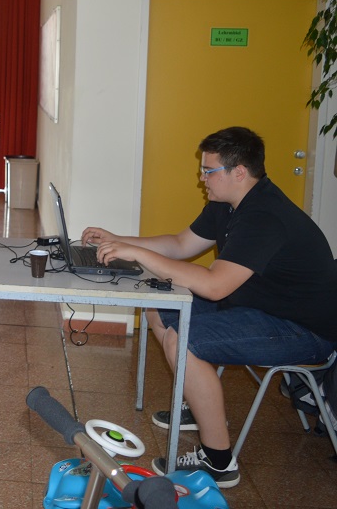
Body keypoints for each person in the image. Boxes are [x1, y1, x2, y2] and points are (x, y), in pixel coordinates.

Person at [81, 126, 337, 488]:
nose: (202, 178)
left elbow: (215, 286)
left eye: (208, 171)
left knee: (184, 342)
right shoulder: (227, 204)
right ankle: (198, 406)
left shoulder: (265, 216)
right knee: (160, 307)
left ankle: (218, 462)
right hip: (260, 307)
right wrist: (118, 239)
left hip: (303, 330)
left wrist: (137, 254)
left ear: (239, 172)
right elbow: (180, 244)